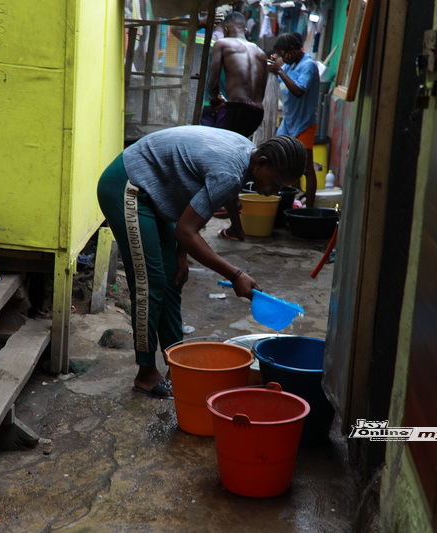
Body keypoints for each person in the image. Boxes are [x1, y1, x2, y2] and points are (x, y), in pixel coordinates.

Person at [97, 126, 306, 398]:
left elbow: (192, 211)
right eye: (275, 184)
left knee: (173, 277)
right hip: (129, 186)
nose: (274, 191)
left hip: (156, 191)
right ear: (263, 163)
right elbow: (186, 231)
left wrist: (181, 253)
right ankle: (146, 374)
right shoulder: (229, 173)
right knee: (150, 282)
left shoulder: (248, 153)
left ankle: (176, 364)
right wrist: (235, 275)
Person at [207, 11, 268, 241]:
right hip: (256, 110)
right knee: (240, 159)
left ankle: (236, 225)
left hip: (236, 107)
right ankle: (231, 202)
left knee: (225, 163)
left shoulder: (222, 43)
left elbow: (213, 81)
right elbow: (260, 91)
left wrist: (215, 100)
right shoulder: (261, 52)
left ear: (227, 29)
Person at [267, 32, 320, 208]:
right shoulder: (291, 64)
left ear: (291, 51)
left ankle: (309, 209)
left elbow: (298, 91)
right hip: (288, 124)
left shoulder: (308, 66)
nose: (282, 58)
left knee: (306, 168)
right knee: (284, 162)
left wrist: (280, 71)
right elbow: (277, 63)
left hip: (304, 124)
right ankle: (293, 201)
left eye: (283, 54)